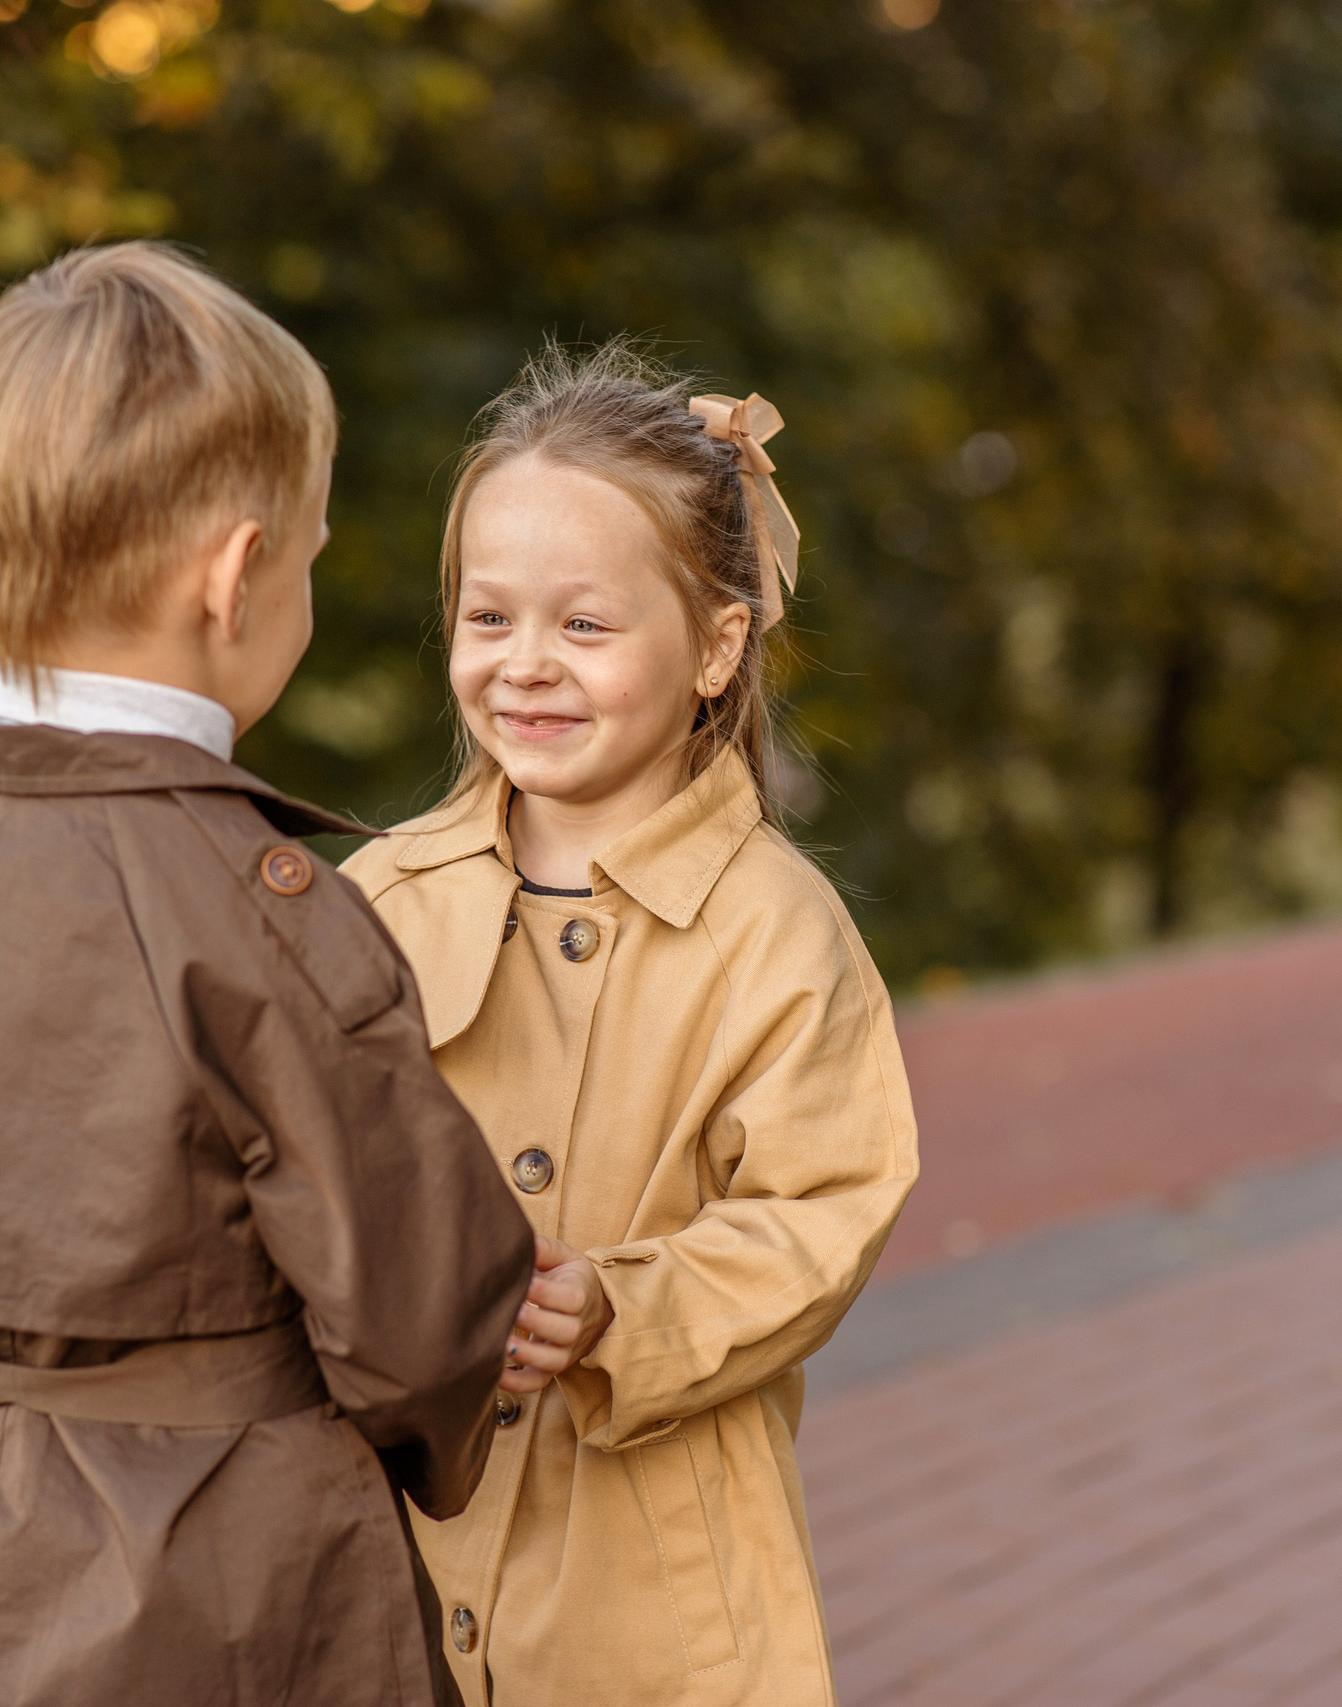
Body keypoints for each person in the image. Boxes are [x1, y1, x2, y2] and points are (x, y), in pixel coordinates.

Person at [0, 243, 533, 1707]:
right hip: (247, 1589)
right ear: (236, 575)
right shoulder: (254, 910)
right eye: (309, 555)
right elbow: (428, 1307)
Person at [343, 343, 921, 1707]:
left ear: (718, 646)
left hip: (651, 1593)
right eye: (489, 621)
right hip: (393, 1562)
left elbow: (823, 1209)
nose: (525, 667)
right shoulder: (375, 898)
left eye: (585, 628)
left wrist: (621, 1305)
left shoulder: (773, 930)